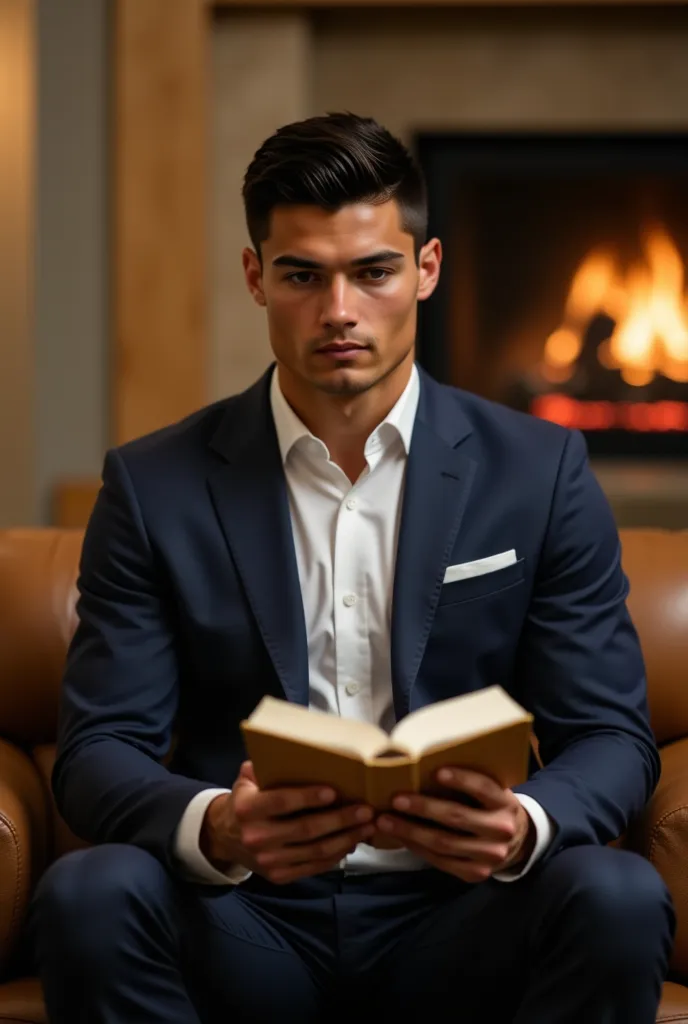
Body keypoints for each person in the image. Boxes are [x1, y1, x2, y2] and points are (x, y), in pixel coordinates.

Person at [31, 112, 673, 1023]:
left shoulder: (541, 471)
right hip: (243, 910)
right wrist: (215, 823)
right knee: (87, 895)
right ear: (256, 277)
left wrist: (520, 825)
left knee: (618, 896)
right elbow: (97, 752)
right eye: (303, 275)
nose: (339, 312)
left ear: (427, 269)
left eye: (373, 272)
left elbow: (612, 736)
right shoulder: (153, 483)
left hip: (465, 911)